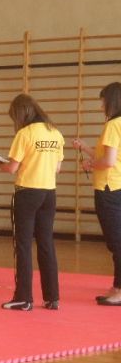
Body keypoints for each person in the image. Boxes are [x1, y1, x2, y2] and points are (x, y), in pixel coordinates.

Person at [0, 94, 64, 311]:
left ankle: (24, 297)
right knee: (46, 244)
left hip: (27, 192)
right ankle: (52, 297)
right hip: (49, 193)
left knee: (23, 245)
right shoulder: (55, 132)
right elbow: (58, 168)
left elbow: (11, 168)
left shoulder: (25, 134)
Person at [73, 82, 121, 306]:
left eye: (103, 101)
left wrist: (91, 164)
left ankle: (120, 290)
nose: (101, 106)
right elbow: (111, 157)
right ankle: (117, 285)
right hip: (117, 186)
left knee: (116, 241)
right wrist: (86, 149)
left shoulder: (113, 125)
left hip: (108, 188)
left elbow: (108, 162)